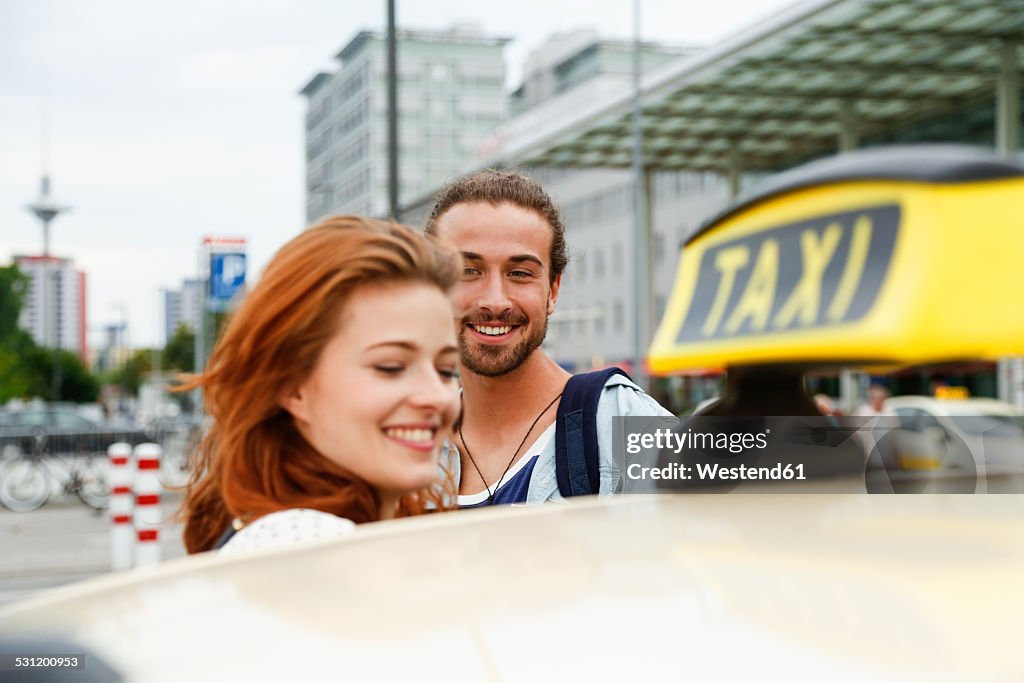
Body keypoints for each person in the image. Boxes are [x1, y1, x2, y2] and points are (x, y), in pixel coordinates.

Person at [180, 216, 462, 553]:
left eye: (447, 370)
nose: (436, 397)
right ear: (292, 386)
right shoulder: (313, 546)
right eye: (391, 367)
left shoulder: (285, 532)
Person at [425, 169, 673, 507]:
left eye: (519, 274)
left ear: (553, 290)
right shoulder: (412, 442)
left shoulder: (626, 424)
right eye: (467, 271)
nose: (495, 301)